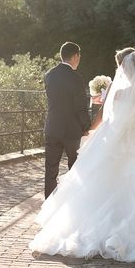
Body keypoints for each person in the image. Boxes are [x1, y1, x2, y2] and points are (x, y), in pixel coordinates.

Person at [30, 48, 135, 262]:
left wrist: (90, 126)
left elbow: (103, 115)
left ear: (122, 66)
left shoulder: (115, 90)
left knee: (97, 181)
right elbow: (133, 102)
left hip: (115, 136)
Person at [43, 42, 91, 198]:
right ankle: (72, 203)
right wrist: (87, 126)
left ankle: (48, 205)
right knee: (75, 169)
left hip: (52, 128)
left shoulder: (49, 75)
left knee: (50, 170)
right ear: (76, 56)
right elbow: (80, 107)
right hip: (72, 131)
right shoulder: (76, 78)